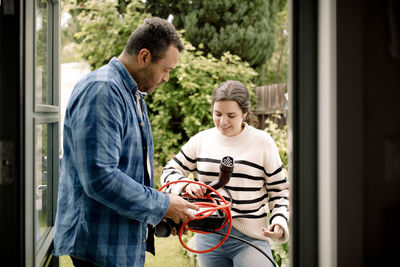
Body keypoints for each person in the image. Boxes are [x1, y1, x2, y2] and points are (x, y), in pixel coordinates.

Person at [54, 17, 199, 267]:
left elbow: (128, 174)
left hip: (119, 243)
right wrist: (163, 204)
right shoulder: (103, 91)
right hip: (99, 246)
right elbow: (100, 178)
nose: (166, 78)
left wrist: (164, 213)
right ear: (144, 56)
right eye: (165, 69)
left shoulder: (131, 93)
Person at [160, 80, 290, 267]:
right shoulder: (201, 140)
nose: (223, 121)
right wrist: (186, 184)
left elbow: (279, 190)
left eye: (231, 115)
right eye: (217, 113)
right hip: (208, 236)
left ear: (245, 113)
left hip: (250, 237)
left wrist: (279, 221)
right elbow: (169, 171)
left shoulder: (263, 142)